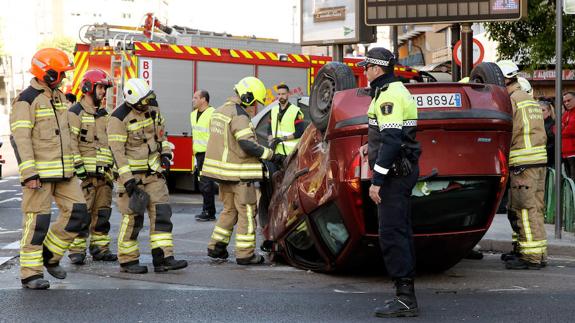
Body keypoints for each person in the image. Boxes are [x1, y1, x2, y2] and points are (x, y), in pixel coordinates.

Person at [9, 48, 89, 289]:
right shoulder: (26, 100)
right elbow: (20, 139)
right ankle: (30, 274)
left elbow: (67, 136)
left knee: (78, 213)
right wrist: (29, 173)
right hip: (39, 176)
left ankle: (50, 255)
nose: (64, 79)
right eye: (61, 74)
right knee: (37, 223)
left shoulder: (59, 98)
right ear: (49, 72)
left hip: (65, 172)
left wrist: (75, 166)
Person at [358, 47, 421, 317]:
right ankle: (405, 295)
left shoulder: (390, 95)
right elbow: (386, 135)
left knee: (392, 234)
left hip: (394, 176)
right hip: (400, 171)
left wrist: (377, 180)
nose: (364, 71)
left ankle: (405, 299)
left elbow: (393, 139)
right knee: (400, 231)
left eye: (366, 67)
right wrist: (368, 149)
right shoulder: (389, 91)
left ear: (377, 69)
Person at [107, 78, 187, 274]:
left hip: (154, 175)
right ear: (131, 100)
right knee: (133, 219)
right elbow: (117, 153)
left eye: (147, 100)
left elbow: (162, 136)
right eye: (142, 102)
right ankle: (128, 261)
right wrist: (128, 181)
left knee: (162, 215)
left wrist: (166, 154)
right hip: (132, 178)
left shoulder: (152, 108)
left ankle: (163, 258)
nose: (146, 105)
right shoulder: (118, 118)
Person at [202, 76, 277, 265]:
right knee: (247, 214)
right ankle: (245, 254)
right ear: (247, 97)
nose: (255, 108)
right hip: (240, 175)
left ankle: (216, 246)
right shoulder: (239, 115)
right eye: (255, 103)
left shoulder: (219, 111)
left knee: (229, 211)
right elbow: (246, 144)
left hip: (223, 174)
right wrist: (270, 155)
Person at [497, 60, 547, 270]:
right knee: (535, 208)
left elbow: (511, 132)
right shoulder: (528, 98)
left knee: (524, 209)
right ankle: (537, 253)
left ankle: (531, 257)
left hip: (522, 163)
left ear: (505, 78)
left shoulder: (512, 101)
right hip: (537, 160)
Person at [67, 69, 118, 264]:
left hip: (103, 177)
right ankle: (77, 250)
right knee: (82, 215)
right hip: (84, 177)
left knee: (103, 214)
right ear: (88, 87)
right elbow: (71, 143)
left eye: (104, 88)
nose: (103, 92)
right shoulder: (74, 113)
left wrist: (112, 169)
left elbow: (110, 144)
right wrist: (78, 167)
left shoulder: (104, 115)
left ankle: (100, 249)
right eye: (100, 87)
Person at [190, 90, 217, 222]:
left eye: (195, 98)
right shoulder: (193, 114)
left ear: (204, 99)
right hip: (198, 154)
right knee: (203, 183)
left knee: (206, 184)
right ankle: (207, 210)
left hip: (209, 153)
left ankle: (209, 212)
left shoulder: (213, 114)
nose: (193, 100)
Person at [267, 84, 305, 165]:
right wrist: (270, 140)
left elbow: (300, 132)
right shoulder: (273, 110)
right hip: (276, 153)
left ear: (288, 94)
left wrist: (282, 139)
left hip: (291, 154)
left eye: (283, 94)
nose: (281, 96)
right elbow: (269, 128)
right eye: (279, 94)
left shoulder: (295, 111)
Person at [562, 92, 575, 179]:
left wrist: (563, 129)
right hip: (565, 153)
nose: (566, 103)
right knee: (568, 180)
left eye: (569, 100)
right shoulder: (566, 113)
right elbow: (555, 128)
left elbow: (571, 130)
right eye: (565, 101)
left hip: (573, 153)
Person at [540, 99, 555, 168]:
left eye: (543, 110)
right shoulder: (539, 124)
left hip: (550, 160)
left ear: (549, 112)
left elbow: (553, 144)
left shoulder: (552, 125)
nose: (540, 112)